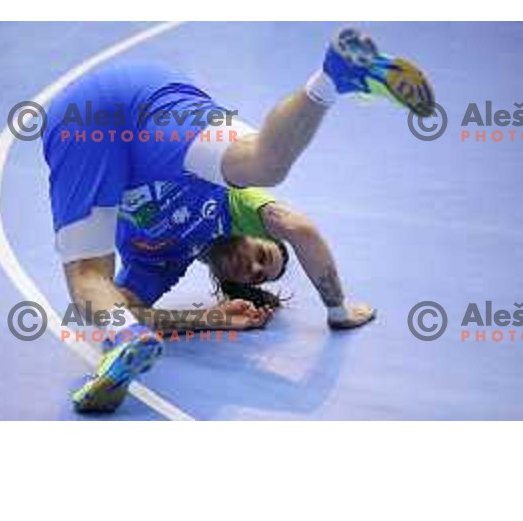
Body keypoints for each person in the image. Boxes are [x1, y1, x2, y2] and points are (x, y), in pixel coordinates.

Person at [42, 27, 434, 413]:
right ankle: (326, 84)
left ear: (234, 284)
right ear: (251, 233)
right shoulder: (235, 206)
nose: (254, 266)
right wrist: (338, 308)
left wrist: (208, 318)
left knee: (90, 279)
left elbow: (126, 306)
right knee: (264, 163)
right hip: (145, 100)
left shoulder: (163, 261)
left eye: (257, 276)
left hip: (95, 138)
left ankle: (339, 72)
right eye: (264, 254)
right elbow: (300, 230)